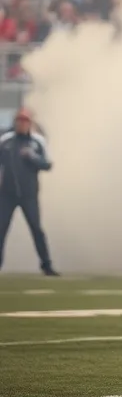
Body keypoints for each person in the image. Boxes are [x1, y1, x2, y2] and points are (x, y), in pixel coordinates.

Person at [0, 108, 56, 276]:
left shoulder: (38, 142)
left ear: (30, 123)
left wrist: (32, 157)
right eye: (19, 121)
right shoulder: (5, 141)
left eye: (24, 121)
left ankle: (46, 265)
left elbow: (47, 165)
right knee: (1, 229)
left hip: (29, 195)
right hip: (7, 194)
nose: (21, 124)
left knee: (36, 229)